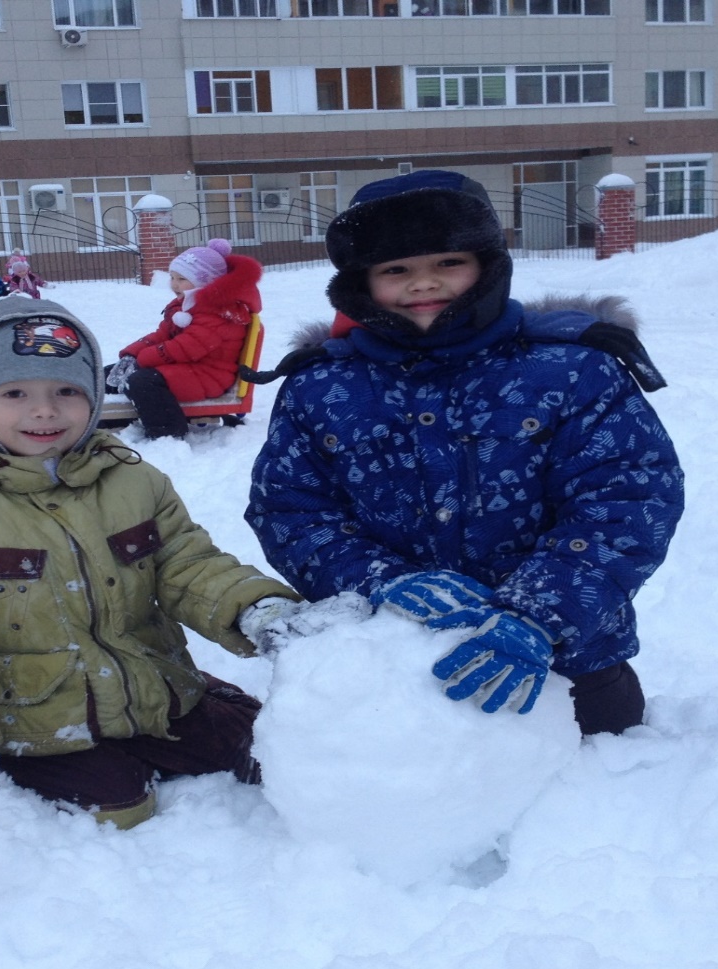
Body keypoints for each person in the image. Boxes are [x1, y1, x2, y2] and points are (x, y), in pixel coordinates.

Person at [245, 170, 684, 737]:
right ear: (361, 282)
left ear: (487, 264)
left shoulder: (572, 371)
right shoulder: (321, 388)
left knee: (597, 795)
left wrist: (538, 612)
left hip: (571, 656)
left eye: (447, 263)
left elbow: (627, 499)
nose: (423, 284)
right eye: (395, 270)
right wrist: (380, 583)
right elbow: (290, 509)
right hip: (397, 653)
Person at [0, 297, 309, 829]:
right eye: (14, 393)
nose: (45, 410)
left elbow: (188, 565)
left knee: (270, 751)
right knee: (119, 806)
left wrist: (254, 607)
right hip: (36, 715)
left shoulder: (132, 481)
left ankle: (203, 704)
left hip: (149, 696)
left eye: (67, 392)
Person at [106, 238, 261, 440]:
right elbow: (163, 334)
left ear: (205, 281)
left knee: (144, 381)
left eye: (181, 279)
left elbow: (188, 347)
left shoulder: (221, 311)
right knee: (112, 372)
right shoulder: (188, 303)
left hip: (210, 373)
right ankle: (110, 418)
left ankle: (167, 434)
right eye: (172, 277)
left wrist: (144, 359)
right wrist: (131, 353)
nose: (174, 285)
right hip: (191, 367)